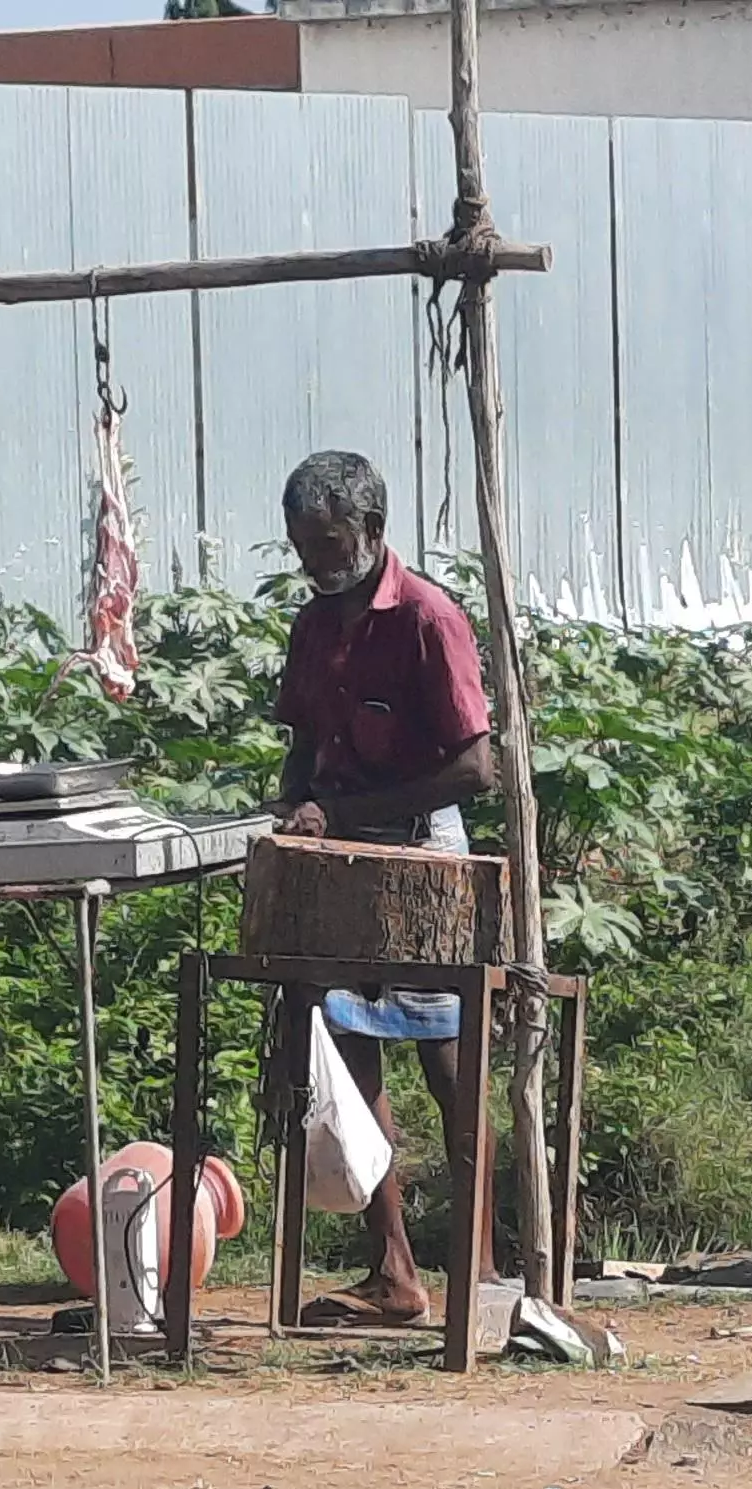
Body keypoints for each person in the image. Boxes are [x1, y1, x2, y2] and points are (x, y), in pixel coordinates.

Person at [268, 449, 501, 1327]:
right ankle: (394, 1272)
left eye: (328, 544)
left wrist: (350, 807)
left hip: (422, 855)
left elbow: (473, 769)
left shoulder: (428, 619)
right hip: (339, 857)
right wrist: (295, 801)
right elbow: (303, 737)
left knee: (450, 1069)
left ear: (373, 531)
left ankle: (476, 1276)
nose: (315, 564)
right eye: (301, 548)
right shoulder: (314, 623)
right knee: (352, 1054)